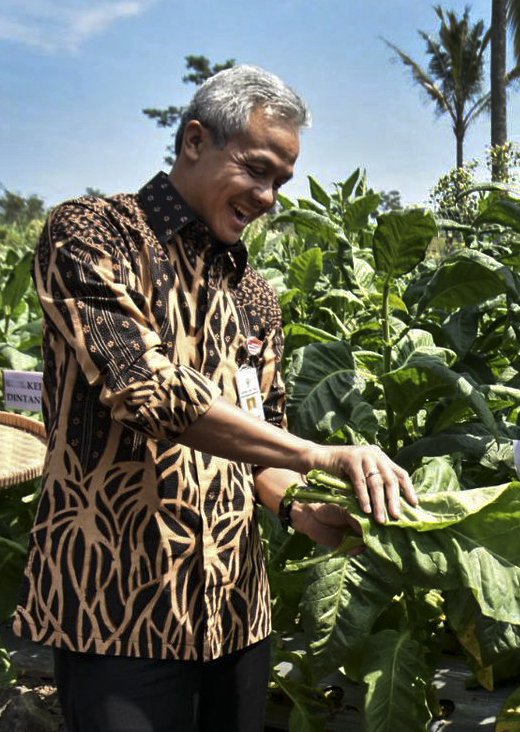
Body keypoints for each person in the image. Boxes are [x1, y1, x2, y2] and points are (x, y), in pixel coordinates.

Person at [13, 64, 417, 732]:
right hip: (116, 609)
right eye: (256, 170)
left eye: (280, 182)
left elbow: (263, 435)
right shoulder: (91, 234)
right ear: (195, 140)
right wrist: (321, 455)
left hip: (234, 612)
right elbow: (149, 392)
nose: (268, 196)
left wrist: (297, 502)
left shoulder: (254, 293)